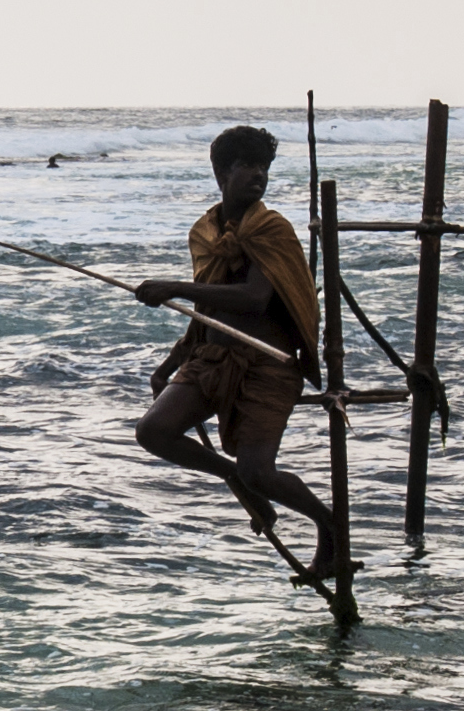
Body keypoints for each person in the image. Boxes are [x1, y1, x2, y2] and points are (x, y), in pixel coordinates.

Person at [133, 122, 350, 580]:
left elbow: (254, 298)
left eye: (264, 167)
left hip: (267, 367)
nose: (258, 175)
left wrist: (174, 286)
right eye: (247, 165)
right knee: (154, 431)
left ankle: (330, 530)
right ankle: (232, 479)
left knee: (259, 470)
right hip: (211, 360)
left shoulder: (271, 228)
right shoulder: (205, 232)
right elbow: (209, 304)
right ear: (222, 173)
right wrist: (169, 364)